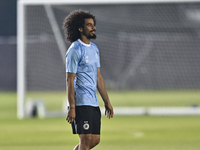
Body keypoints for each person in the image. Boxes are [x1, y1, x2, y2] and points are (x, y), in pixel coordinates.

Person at [63, 10, 114, 150]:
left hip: (93, 102)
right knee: (85, 141)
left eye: (93, 25)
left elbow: (98, 77)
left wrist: (107, 102)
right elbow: (69, 80)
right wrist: (72, 107)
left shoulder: (94, 49)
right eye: (89, 25)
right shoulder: (75, 50)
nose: (93, 28)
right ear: (80, 28)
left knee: (95, 140)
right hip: (81, 102)